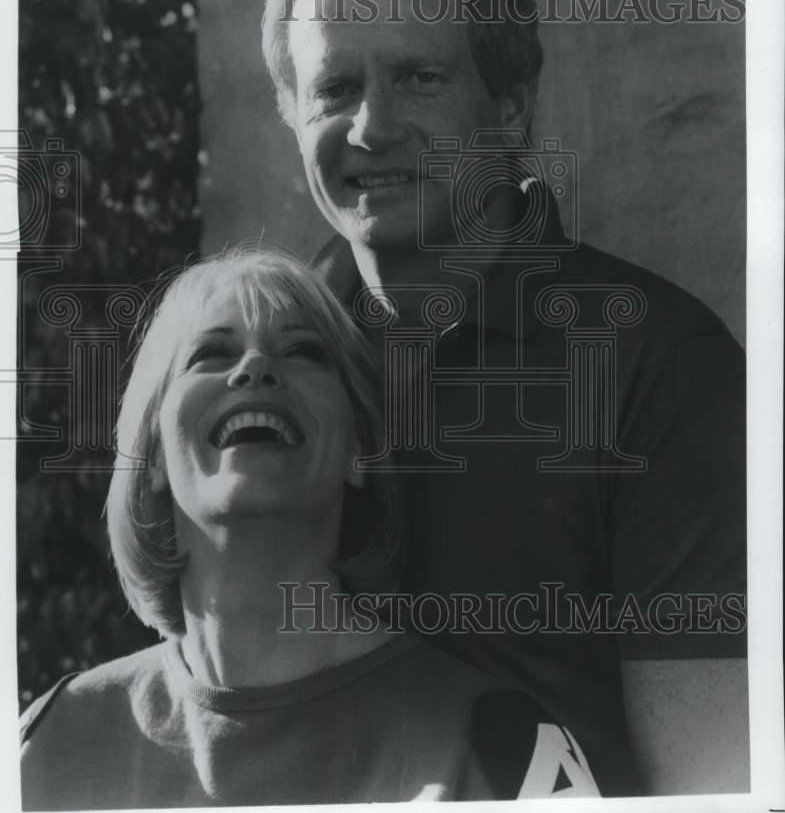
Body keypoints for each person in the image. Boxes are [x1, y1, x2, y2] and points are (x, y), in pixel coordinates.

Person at [260, 0, 748, 796]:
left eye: (419, 76)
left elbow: (712, 787)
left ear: (512, 106)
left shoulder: (666, 377)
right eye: (334, 86)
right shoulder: (262, 371)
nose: (372, 125)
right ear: (292, 112)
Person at [20, 249, 600, 808]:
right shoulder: (46, 744)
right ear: (152, 462)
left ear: (361, 450)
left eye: (301, 350)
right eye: (211, 354)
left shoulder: (507, 747)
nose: (254, 368)